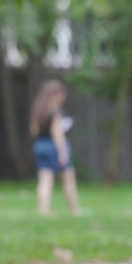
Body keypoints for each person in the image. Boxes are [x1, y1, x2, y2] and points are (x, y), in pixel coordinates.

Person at [29, 79, 82, 216]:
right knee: (68, 179)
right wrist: (63, 151)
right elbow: (57, 133)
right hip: (54, 146)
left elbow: (34, 131)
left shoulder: (38, 110)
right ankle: (75, 209)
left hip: (40, 145)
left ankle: (43, 209)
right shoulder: (55, 111)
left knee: (45, 179)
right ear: (56, 94)